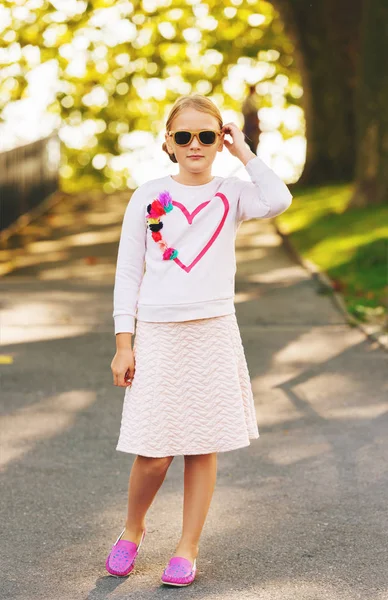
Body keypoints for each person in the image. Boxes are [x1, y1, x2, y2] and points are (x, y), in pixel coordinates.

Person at [106, 93, 292, 586]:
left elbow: (278, 198)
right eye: (184, 136)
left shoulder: (231, 193)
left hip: (212, 331)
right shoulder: (147, 196)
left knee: (202, 447)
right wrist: (125, 343)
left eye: (206, 136)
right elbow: (128, 274)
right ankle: (133, 528)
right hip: (159, 335)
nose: (195, 144)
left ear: (219, 140)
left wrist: (244, 152)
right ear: (168, 142)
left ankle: (187, 547)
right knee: (154, 451)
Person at [242, 83, 261, 154]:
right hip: (251, 127)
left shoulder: (248, 100)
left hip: (250, 127)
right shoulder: (250, 100)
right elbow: (253, 113)